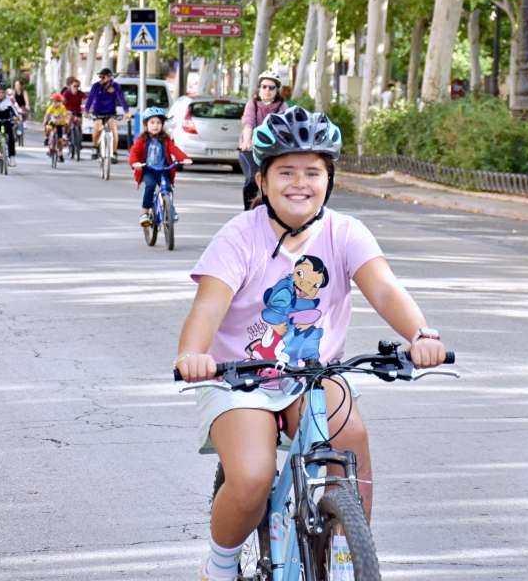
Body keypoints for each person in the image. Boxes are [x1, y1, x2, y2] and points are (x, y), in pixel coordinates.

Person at [175, 106, 448, 581]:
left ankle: (347, 550)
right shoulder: (239, 236)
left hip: (314, 374)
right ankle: (218, 566)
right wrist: (194, 355)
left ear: (329, 179)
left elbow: (383, 288)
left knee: (351, 438)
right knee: (254, 477)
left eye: (312, 172)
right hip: (239, 377)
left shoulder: (345, 232)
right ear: (261, 180)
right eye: (285, 172)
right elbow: (208, 306)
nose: (299, 183)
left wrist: (420, 334)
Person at [129, 107, 192, 226]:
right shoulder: (142, 139)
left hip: (163, 170)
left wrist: (184, 158)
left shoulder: (165, 139)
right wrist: (135, 163)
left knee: (167, 188)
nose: (155, 126)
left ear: (162, 125)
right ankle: (145, 213)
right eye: (152, 122)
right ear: (146, 124)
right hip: (148, 170)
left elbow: (174, 149)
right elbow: (134, 152)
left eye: (158, 123)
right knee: (150, 185)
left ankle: (170, 210)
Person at [237, 71, 286, 210]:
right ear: (259, 88)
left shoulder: (282, 106)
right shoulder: (253, 103)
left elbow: (285, 126)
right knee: (253, 179)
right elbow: (248, 123)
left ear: (277, 90)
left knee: (274, 182)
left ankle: (273, 211)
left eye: (271, 88)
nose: (267, 90)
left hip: (273, 150)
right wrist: (247, 141)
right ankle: (248, 213)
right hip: (251, 149)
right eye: (264, 87)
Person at [86, 68, 129, 162]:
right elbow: (90, 99)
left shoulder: (116, 86)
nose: (101, 78)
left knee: (113, 130)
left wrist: (126, 111)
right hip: (98, 111)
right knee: (97, 129)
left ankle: (113, 153)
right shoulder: (96, 86)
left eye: (103, 76)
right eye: (100, 76)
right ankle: (95, 147)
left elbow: (121, 98)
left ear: (109, 77)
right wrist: (86, 111)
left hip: (110, 112)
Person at [0, 85, 21, 166]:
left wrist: (16, 117)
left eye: (3, 93)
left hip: (6, 120)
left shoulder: (8, 101)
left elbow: (14, 111)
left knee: (11, 138)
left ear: (5, 93)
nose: (1, 94)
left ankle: (12, 157)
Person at [61, 76, 87, 157]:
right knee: (69, 119)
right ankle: (65, 135)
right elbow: (62, 101)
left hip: (77, 111)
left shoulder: (80, 93)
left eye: (77, 86)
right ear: (70, 86)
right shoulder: (67, 93)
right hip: (68, 111)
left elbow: (86, 100)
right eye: (74, 86)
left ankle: (78, 140)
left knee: (79, 123)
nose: (76, 88)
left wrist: (88, 107)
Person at [43, 92, 72, 161]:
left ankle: (60, 154)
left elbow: (65, 115)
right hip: (52, 123)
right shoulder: (51, 107)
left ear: (60, 102)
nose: (56, 103)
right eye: (54, 102)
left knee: (60, 140)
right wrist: (45, 120)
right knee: (47, 128)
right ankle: (47, 139)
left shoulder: (62, 107)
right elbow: (47, 115)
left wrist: (66, 120)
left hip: (60, 124)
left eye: (58, 102)